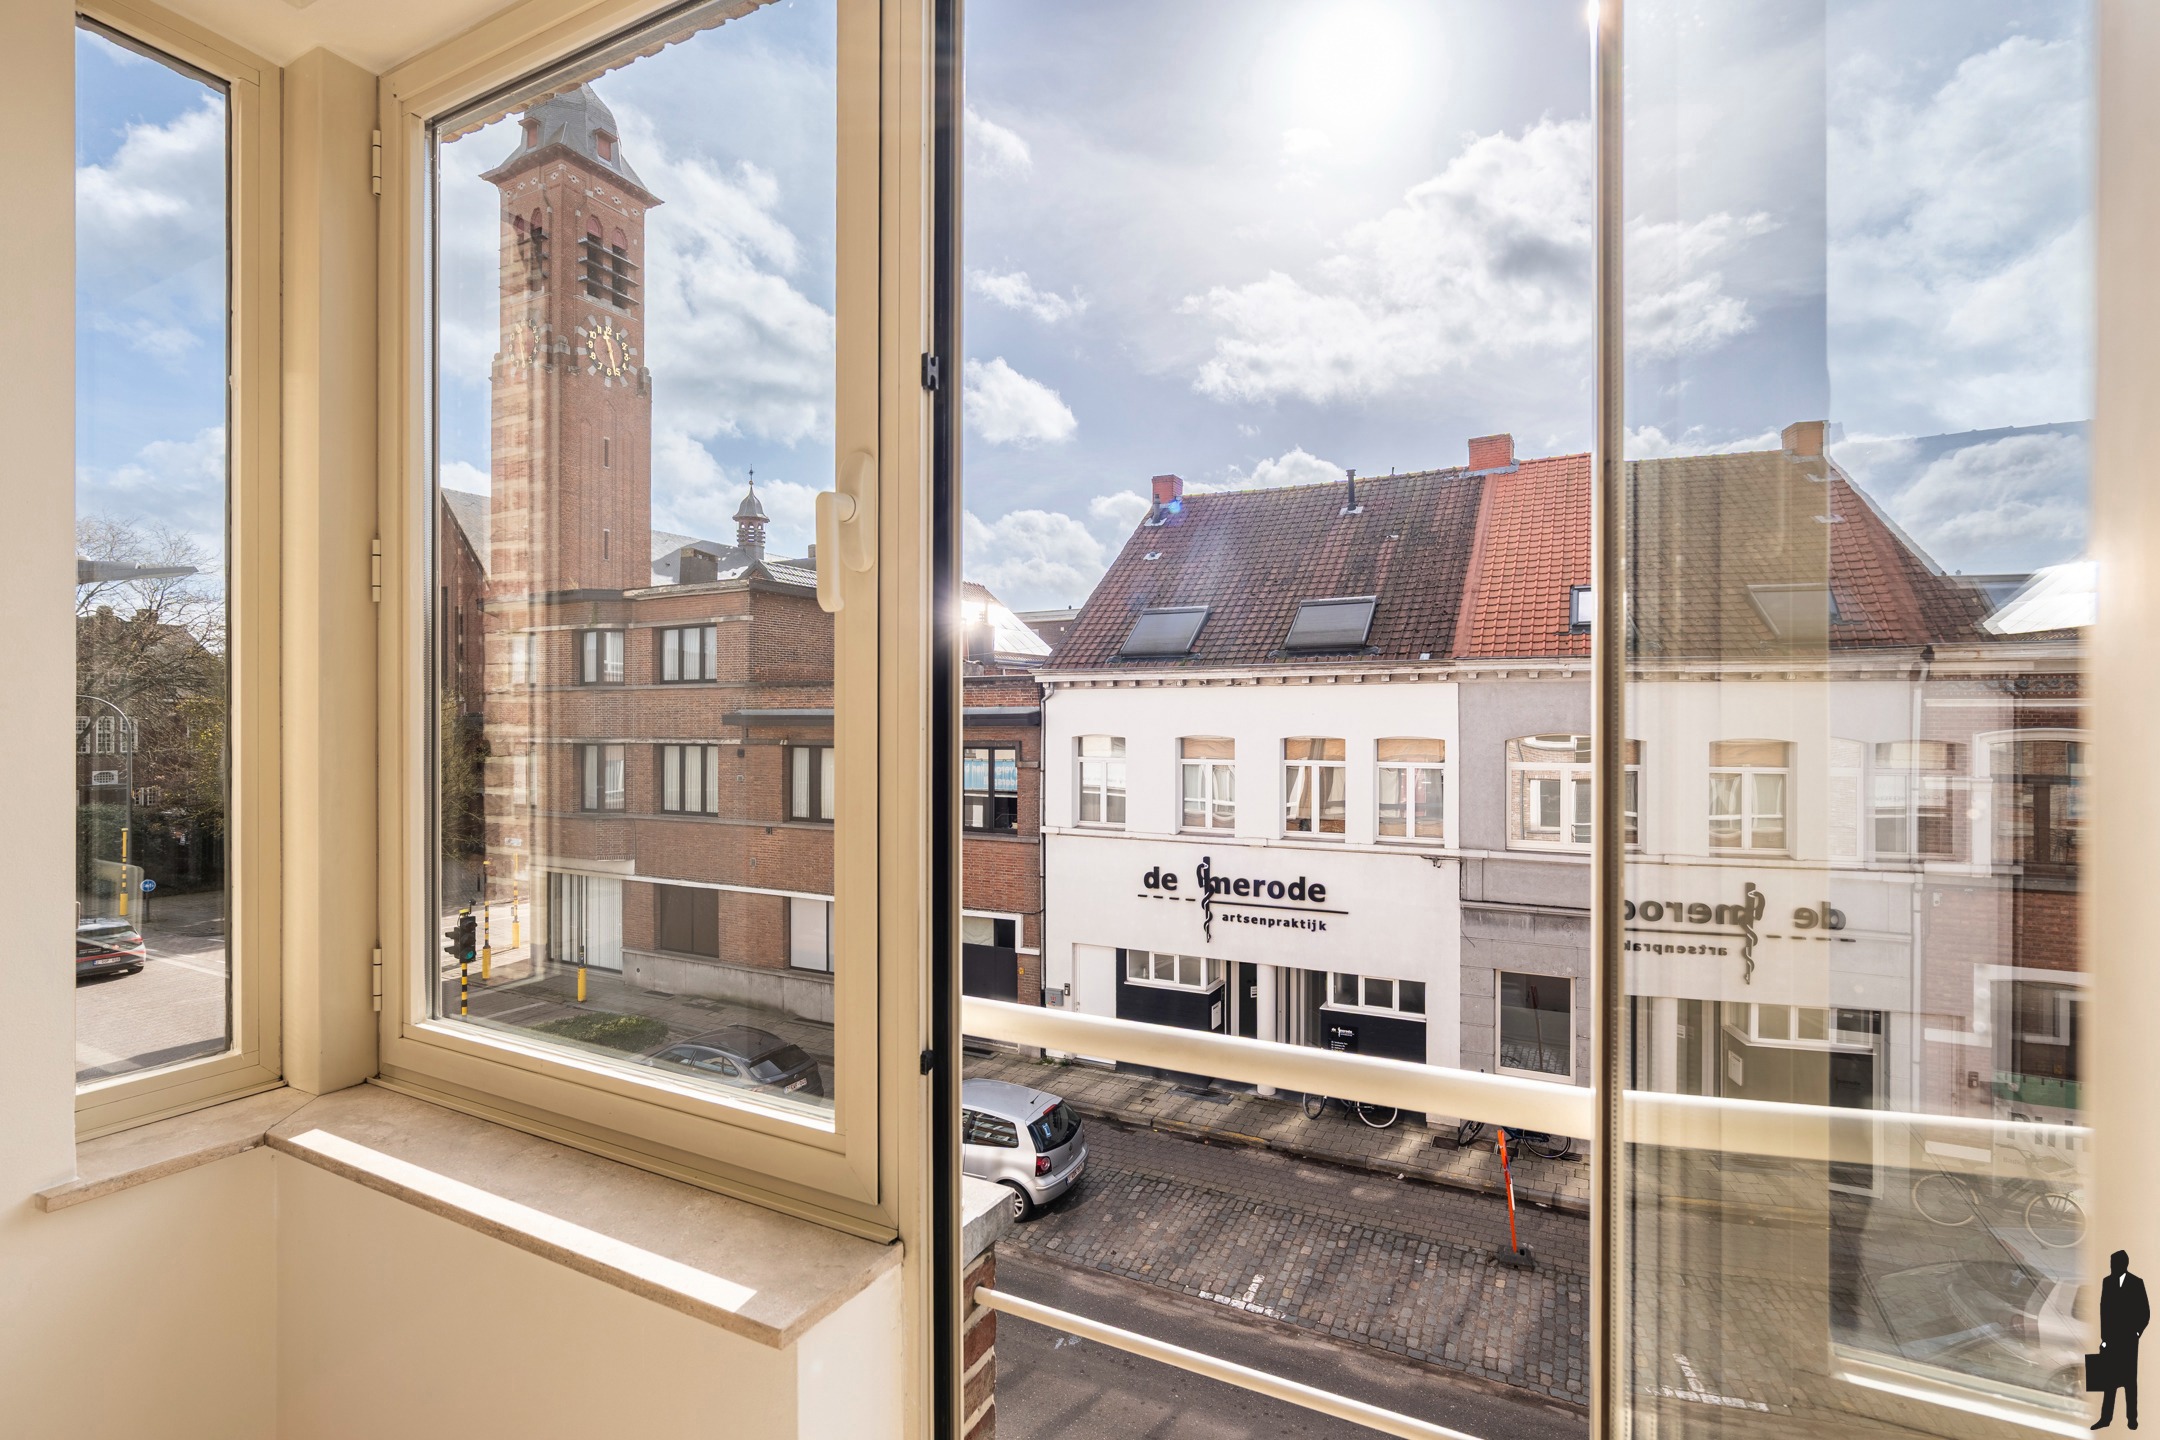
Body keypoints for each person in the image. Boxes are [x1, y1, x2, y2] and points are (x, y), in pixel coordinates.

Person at [2097, 1249, 2150, 1430]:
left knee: (2129, 1382)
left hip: (2128, 1341)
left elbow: (2145, 1312)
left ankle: (2132, 1419)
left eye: (2115, 1264)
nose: (2112, 1267)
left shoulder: (2136, 1283)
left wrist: (2136, 1333)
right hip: (2111, 1340)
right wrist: (2104, 1338)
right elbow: (2103, 1310)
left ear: (2123, 1264)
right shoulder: (2107, 1281)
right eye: (2111, 1264)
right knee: (2109, 1381)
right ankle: (2105, 1418)